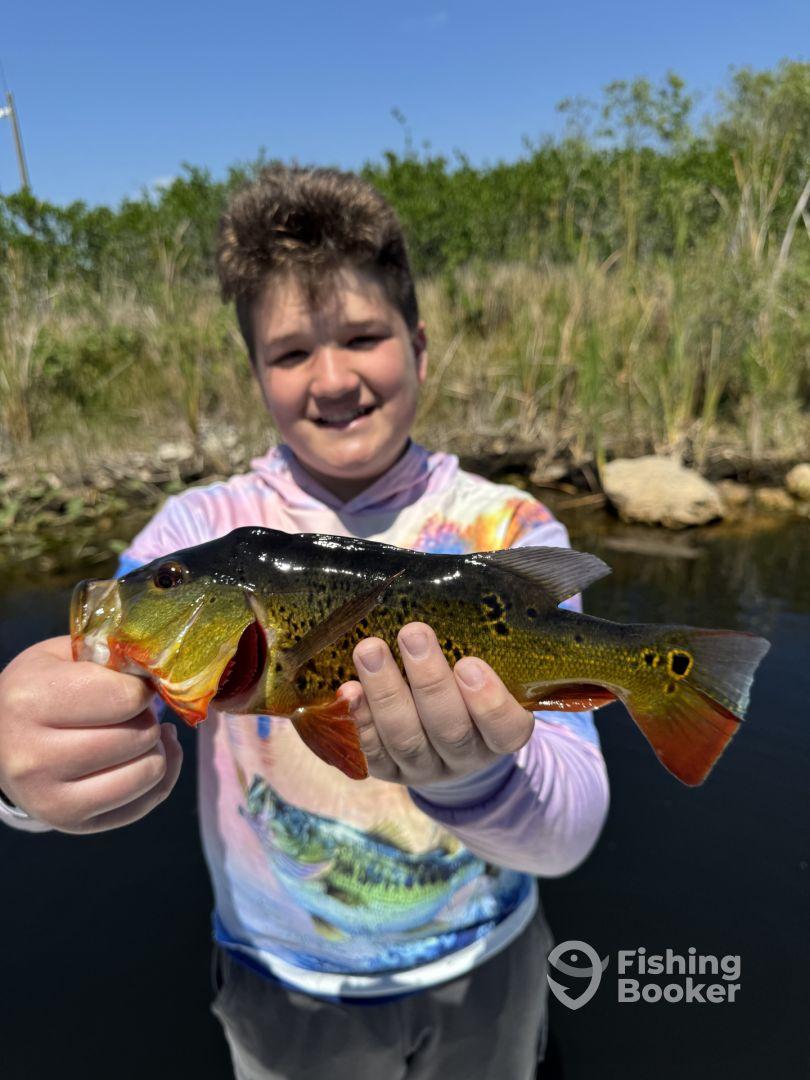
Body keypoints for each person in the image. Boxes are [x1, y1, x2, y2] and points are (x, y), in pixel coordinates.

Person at [0, 166, 609, 1079]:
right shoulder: (197, 535)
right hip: (283, 984)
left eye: (364, 336)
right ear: (255, 375)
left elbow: (572, 836)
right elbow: (116, 699)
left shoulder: (511, 530)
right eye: (290, 354)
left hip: (491, 961)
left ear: (421, 346)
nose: (331, 380)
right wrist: (28, 765)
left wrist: (470, 777)